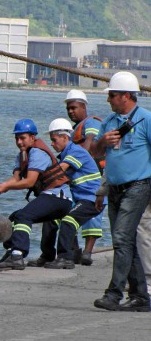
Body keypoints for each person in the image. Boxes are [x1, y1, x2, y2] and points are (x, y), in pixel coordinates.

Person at [91, 71, 151, 312]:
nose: (109, 100)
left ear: (126, 96)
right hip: (115, 189)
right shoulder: (109, 122)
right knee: (127, 241)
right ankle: (140, 296)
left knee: (121, 238)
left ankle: (114, 293)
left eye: (113, 95)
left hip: (138, 187)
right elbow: (95, 153)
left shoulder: (146, 120)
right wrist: (102, 142)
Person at [0, 119, 73, 270]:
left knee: (24, 216)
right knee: (14, 217)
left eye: (22, 138)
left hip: (59, 198)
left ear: (32, 137)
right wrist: (3, 185)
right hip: (50, 197)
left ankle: (18, 256)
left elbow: (29, 182)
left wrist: (8, 186)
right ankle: (11, 252)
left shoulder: (38, 152)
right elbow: (16, 178)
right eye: (16, 138)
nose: (19, 142)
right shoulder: (22, 155)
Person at [30, 118, 104, 269]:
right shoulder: (65, 153)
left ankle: (65, 258)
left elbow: (60, 170)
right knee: (51, 218)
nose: (51, 144)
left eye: (54, 140)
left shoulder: (76, 152)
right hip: (78, 200)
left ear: (65, 137)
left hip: (92, 199)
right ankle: (47, 255)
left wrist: (35, 178)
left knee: (69, 221)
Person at [64, 89, 104, 265]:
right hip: (78, 181)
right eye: (68, 109)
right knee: (70, 212)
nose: (71, 111)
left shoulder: (91, 122)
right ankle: (75, 249)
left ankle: (87, 252)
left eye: (74, 108)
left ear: (83, 106)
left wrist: (81, 157)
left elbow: (91, 138)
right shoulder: (74, 131)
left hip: (94, 177)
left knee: (93, 214)